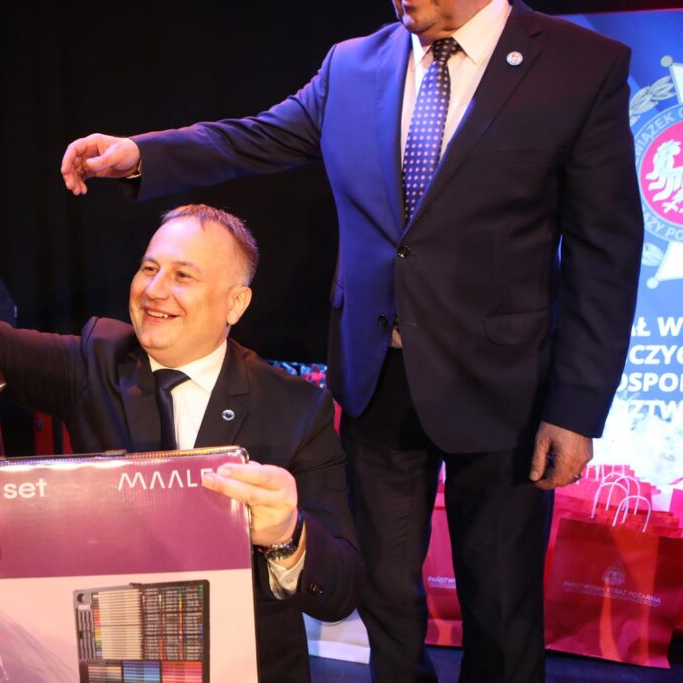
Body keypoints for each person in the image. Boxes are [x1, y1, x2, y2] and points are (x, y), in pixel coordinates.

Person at [58, 1, 645, 680]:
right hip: (377, 381)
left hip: (504, 391)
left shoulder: (578, 65)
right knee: (386, 601)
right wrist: (142, 155)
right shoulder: (354, 64)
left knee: (503, 607)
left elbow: (605, 251)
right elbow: (252, 137)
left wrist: (575, 408)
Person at [0, 203, 364, 683]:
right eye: (148, 268)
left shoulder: (295, 408)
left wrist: (288, 534)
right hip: (117, 661)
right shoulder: (96, 362)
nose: (154, 290)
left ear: (235, 303)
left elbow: (341, 589)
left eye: (183, 275)